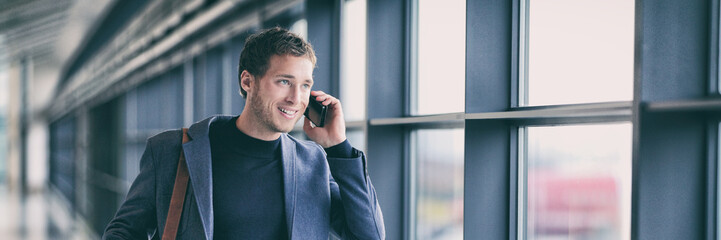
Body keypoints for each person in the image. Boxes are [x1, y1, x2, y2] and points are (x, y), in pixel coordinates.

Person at [102, 27, 385, 239]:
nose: (295, 98)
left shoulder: (312, 164)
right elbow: (124, 232)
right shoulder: (172, 150)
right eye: (284, 81)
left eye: (305, 85)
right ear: (247, 81)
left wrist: (339, 148)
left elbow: (369, 234)